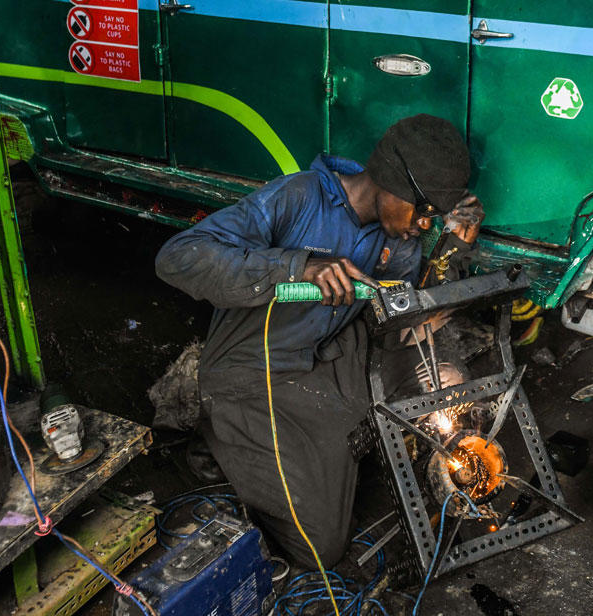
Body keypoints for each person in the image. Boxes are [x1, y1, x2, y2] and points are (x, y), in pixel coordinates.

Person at [154, 114, 480, 567]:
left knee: (445, 379)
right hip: (254, 373)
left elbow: (404, 326)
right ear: (392, 181)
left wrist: (452, 254)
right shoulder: (300, 196)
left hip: (327, 363)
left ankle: (293, 448)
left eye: (432, 219)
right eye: (422, 213)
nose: (422, 227)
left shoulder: (398, 240)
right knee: (320, 547)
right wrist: (296, 267)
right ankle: (219, 441)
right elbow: (177, 258)